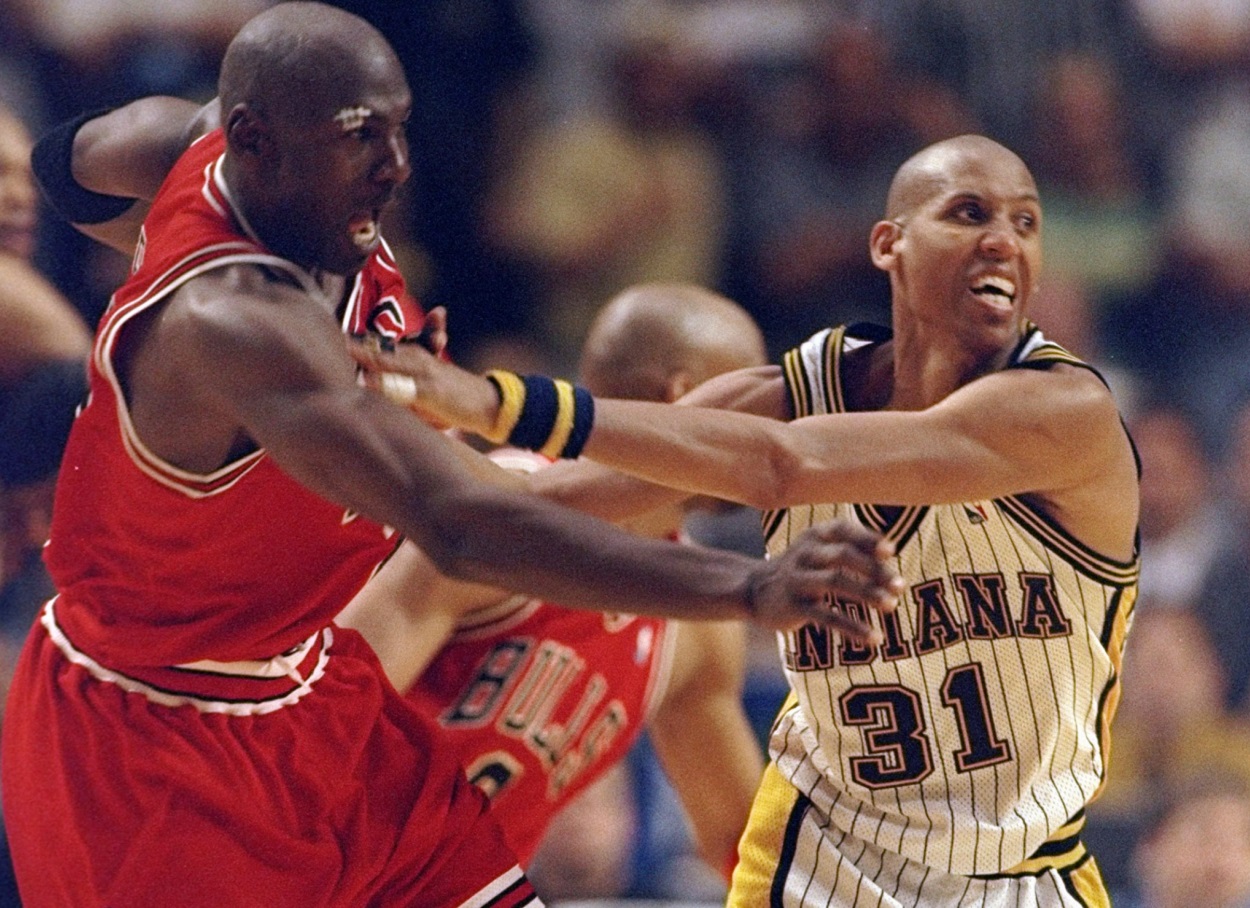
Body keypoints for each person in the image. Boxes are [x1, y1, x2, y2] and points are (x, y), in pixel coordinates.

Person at [3, 4, 904, 906]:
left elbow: (57, 169)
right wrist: (749, 586)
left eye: (398, 129)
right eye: (361, 138)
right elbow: (463, 526)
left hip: (295, 693)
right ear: (257, 143)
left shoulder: (219, 163)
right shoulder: (239, 322)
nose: (395, 167)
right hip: (146, 742)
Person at [353, 133, 1142, 906]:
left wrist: (497, 402)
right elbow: (528, 512)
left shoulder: (1064, 411)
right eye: (969, 213)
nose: (1004, 240)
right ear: (889, 245)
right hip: (817, 866)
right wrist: (373, 420)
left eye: (1027, 222)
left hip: (1023, 873)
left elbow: (779, 464)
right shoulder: (791, 394)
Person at [340, 282, 771, 883]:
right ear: (686, 396)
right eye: (759, 398)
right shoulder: (501, 516)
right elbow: (322, 714)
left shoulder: (696, 621)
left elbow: (746, 850)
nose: (773, 430)